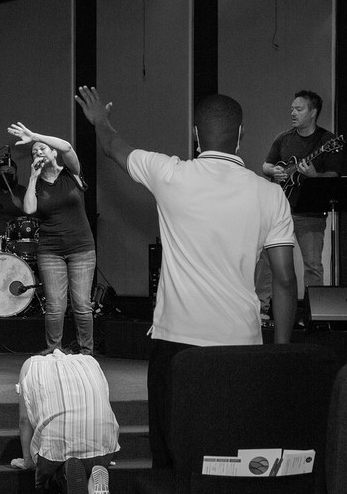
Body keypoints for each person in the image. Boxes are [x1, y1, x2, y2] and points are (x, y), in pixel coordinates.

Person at [74, 86, 297, 469]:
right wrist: (278, 351)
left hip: (176, 344)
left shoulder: (170, 173)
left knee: (172, 457)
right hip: (240, 344)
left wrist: (100, 120)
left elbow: (114, 148)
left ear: (196, 135)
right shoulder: (271, 195)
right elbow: (285, 280)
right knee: (231, 452)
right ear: (241, 135)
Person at [9, 123, 96, 355]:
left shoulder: (72, 174)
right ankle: (53, 350)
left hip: (81, 248)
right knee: (55, 307)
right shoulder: (36, 184)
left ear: (53, 153)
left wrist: (35, 136)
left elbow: (67, 147)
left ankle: (86, 352)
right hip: (50, 250)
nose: (38, 151)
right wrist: (33, 178)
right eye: (34, 151)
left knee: (82, 305)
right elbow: (28, 210)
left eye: (43, 149)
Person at [258, 90, 342, 317]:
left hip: (310, 213)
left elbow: (333, 176)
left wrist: (315, 175)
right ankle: (262, 310)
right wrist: (273, 170)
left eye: (299, 109)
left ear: (313, 112)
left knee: (312, 265)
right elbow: (266, 165)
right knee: (266, 260)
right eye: (292, 109)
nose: (293, 113)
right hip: (281, 211)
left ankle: (314, 314)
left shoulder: (328, 141)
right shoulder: (283, 138)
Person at [9, 350, 118, 494]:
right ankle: (93, 479)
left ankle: (65, 475)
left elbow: (24, 421)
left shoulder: (31, 365)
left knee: (49, 475)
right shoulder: (91, 361)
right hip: (105, 447)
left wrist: (27, 461)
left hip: (55, 450)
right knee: (88, 459)